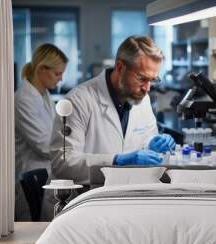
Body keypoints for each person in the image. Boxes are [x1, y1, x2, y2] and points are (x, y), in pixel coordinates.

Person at [50, 36, 175, 185]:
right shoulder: (77, 101)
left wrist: (153, 144)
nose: (147, 88)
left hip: (123, 193)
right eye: (142, 78)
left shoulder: (143, 99)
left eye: (152, 80)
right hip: (81, 198)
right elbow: (63, 163)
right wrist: (117, 161)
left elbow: (144, 140)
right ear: (120, 68)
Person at [15, 43, 68, 220]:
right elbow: (45, 145)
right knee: (30, 234)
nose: (60, 79)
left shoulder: (43, 95)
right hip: (30, 176)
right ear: (41, 68)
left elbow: (57, 130)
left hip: (46, 173)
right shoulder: (23, 99)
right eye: (57, 73)